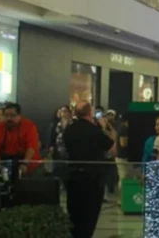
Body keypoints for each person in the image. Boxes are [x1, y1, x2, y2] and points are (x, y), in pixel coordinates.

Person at [62, 101, 114, 238]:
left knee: (74, 212)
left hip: (72, 176)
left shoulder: (69, 129)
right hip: (92, 177)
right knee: (89, 214)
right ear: (90, 112)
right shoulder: (94, 130)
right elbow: (112, 149)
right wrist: (104, 128)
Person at [0, 103, 41, 182]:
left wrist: (25, 164)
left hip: (28, 165)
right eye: (6, 115)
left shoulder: (29, 126)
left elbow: (31, 147)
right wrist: (0, 166)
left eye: (12, 115)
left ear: (19, 116)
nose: (9, 118)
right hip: (6, 164)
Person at [45, 106, 72, 182]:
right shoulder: (56, 124)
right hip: (58, 150)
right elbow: (51, 135)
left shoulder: (72, 123)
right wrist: (50, 146)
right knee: (58, 168)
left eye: (65, 111)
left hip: (69, 150)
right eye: (62, 111)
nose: (63, 113)